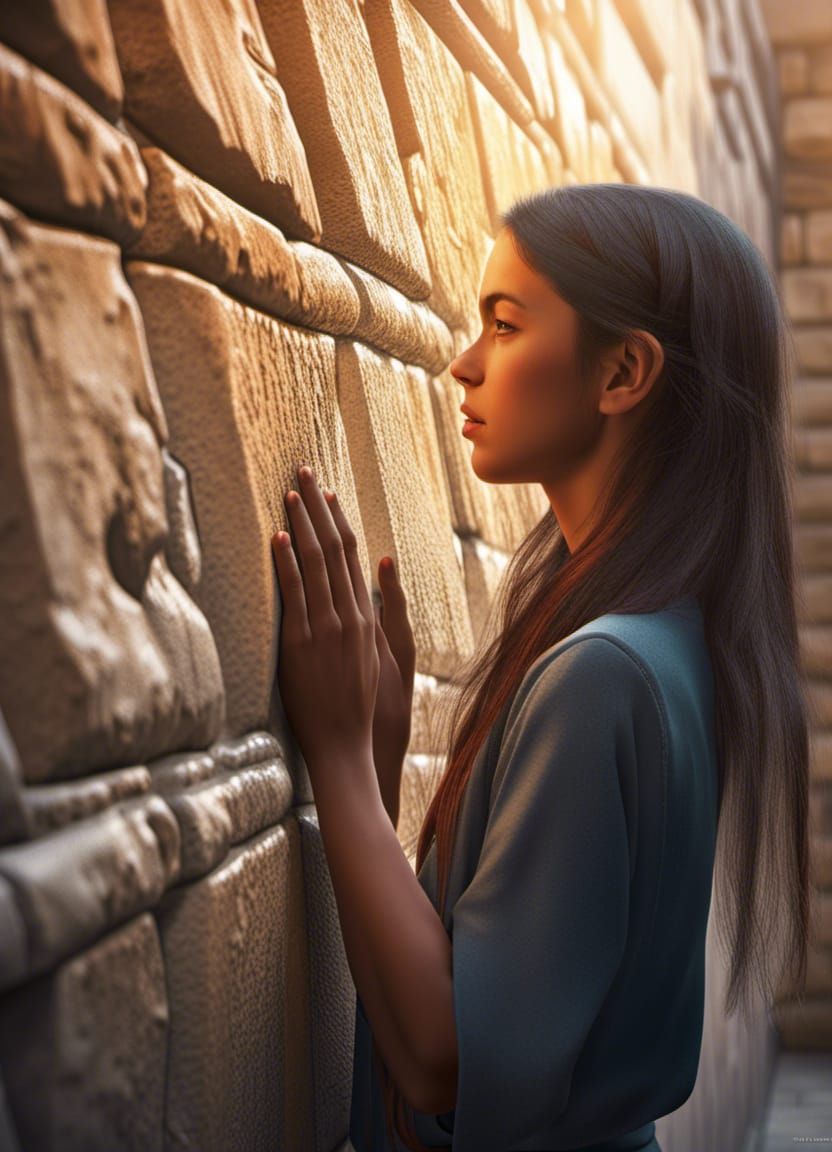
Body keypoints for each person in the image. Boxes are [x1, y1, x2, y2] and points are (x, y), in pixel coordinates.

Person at [273, 182, 811, 1152]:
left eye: (505, 324)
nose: (464, 364)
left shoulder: (601, 673)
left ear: (622, 373)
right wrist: (382, 758)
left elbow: (451, 1061)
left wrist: (344, 762)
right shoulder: (670, 639)